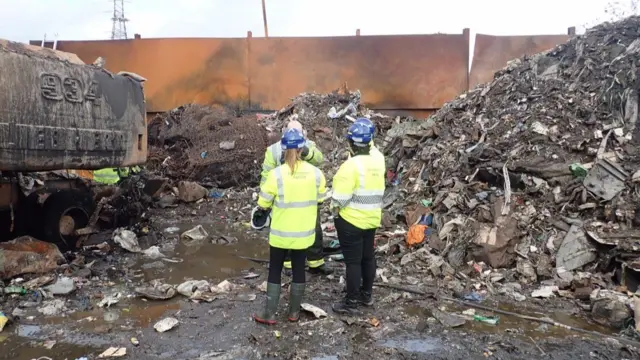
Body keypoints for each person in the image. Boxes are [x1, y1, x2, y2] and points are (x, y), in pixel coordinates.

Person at [253, 128, 327, 325]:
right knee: (299, 269)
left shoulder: (276, 175)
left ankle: (269, 314)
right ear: (303, 148)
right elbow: (320, 199)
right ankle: (294, 313)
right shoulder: (316, 174)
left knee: (275, 270)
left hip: (280, 234)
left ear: (283, 150)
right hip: (304, 234)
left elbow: (264, 203)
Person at [260, 120, 333, 276]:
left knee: (312, 231)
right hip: (284, 196)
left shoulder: (308, 145)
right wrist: (269, 195)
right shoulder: (273, 151)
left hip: (304, 197)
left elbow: (319, 159)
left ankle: (316, 262)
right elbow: (266, 175)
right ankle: (289, 264)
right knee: (286, 232)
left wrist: (307, 151)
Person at [330, 122, 385, 315]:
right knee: (368, 257)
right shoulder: (378, 161)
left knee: (353, 262)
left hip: (351, 221)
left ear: (351, 144)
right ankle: (366, 295)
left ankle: (351, 302)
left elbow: (339, 199)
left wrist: (333, 209)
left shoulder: (350, 166)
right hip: (372, 219)